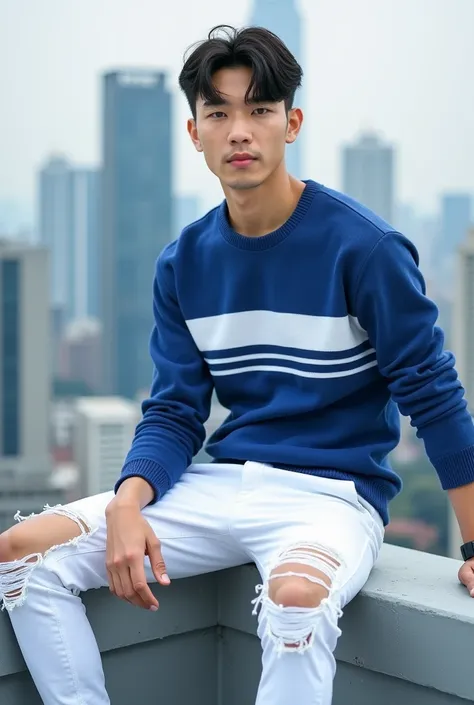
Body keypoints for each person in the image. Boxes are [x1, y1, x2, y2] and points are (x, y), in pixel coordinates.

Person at [1, 24, 474, 705]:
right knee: (23, 558)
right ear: (195, 133)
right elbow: (173, 411)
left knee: (297, 602)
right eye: (218, 112)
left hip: (333, 496)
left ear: (293, 123)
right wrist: (128, 500)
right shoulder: (185, 262)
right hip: (222, 482)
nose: (240, 130)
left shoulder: (363, 248)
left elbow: (432, 394)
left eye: (259, 110)